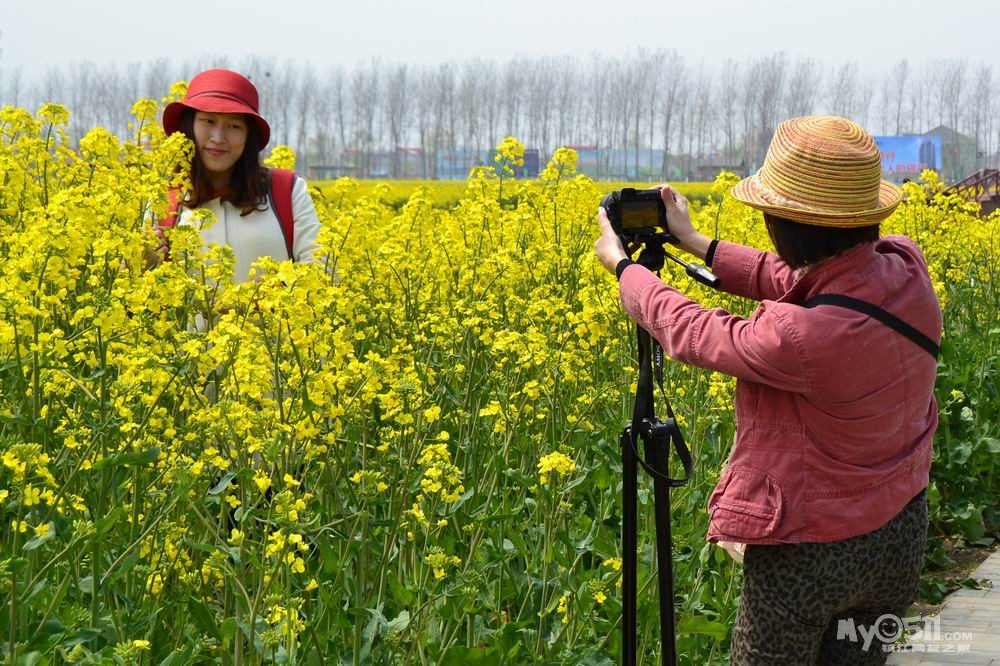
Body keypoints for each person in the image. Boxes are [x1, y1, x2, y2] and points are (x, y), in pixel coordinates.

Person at [594, 115, 941, 665]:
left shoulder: (798, 337)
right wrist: (694, 242)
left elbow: (697, 331)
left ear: (786, 224)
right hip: (900, 535)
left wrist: (623, 271)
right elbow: (804, 278)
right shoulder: (904, 266)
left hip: (811, 554)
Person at [152, 68, 322, 280]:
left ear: (248, 135)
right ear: (189, 126)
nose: (218, 137)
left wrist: (259, 303)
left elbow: (321, 272)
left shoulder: (287, 191)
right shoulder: (162, 201)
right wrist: (141, 265)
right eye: (208, 121)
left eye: (233, 126)